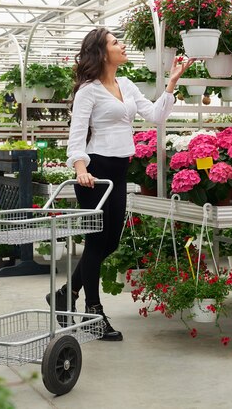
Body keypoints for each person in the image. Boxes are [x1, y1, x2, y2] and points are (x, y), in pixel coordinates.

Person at [46, 27, 194, 341]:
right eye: (116, 43)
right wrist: (81, 168)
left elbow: (155, 115)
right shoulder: (88, 90)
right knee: (97, 242)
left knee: (109, 243)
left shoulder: (125, 84)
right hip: (95, 173)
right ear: (102, 52)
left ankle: (65, 293)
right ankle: (93, 312)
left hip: (119, 170)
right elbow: (76, 136)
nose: (122, 45)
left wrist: (171, 83)